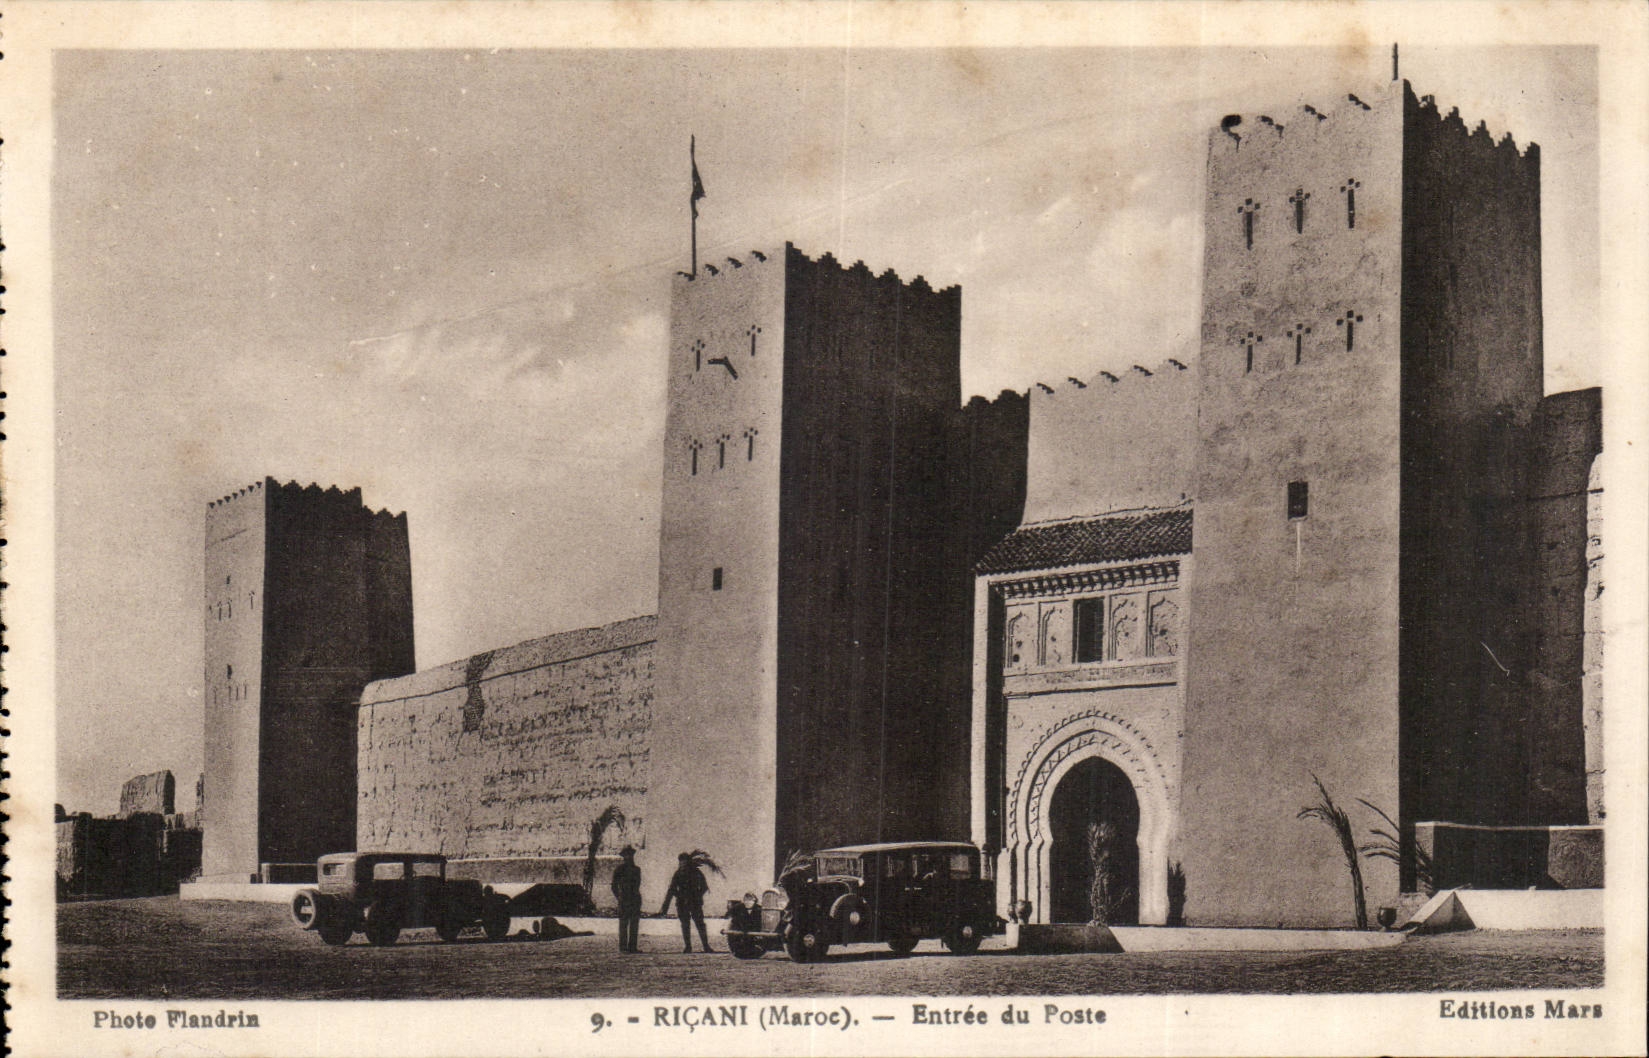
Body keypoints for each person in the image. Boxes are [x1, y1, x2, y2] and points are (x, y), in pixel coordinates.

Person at [660, 851, 713, 953]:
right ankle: (688, 947)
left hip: (695, 903)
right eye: (681, 862)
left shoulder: (696, 872)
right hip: (682, 903)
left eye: (684, 862)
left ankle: (706, 946)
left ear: (688, 862)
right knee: (685, 925)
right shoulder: (678, 873)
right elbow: (671, 889)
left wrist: (697, 895)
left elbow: (704, 887)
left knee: (699, 924)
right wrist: (677, 897)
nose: (682, 864)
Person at [610, 845, 642, 953]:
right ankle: (623, 947)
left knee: (634, 924)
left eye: (631, 855)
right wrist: (619, 897)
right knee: (623, 924)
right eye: (627, 855)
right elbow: (614, 886)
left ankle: (633, 947)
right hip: (624, 899)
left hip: (635, 899)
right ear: (624, 857)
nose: (629, 857)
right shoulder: (619, 870)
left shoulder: (637, 870)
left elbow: (637, 885)